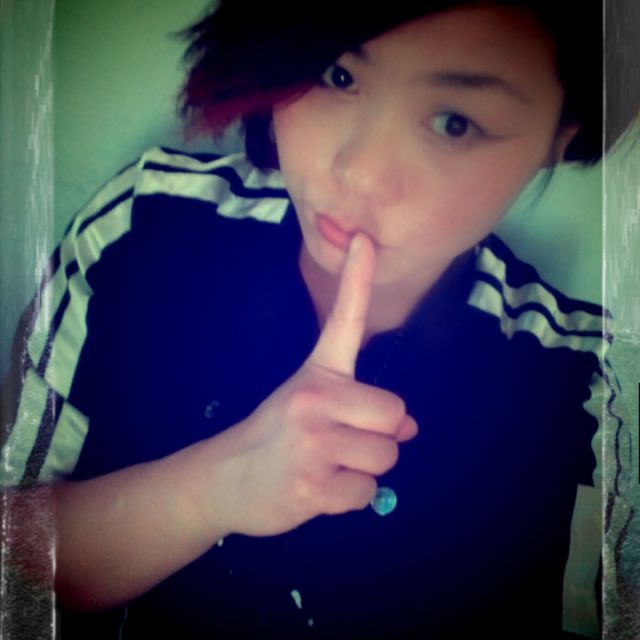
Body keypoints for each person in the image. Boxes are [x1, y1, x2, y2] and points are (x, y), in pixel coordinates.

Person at [0, 0, 629, 638]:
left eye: (454, 122)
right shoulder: (146, 224)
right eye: (338, 75)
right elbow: (13, 547)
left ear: (559, 136)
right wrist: (214, 487)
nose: (359, 173)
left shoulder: (591, 388)